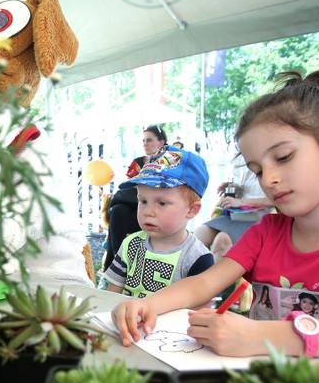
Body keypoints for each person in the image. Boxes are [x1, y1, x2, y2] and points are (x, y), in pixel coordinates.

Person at [111, 70, 319, 362]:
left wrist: (262, 336)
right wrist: (148, 305)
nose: (269, 179)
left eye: (283, 157)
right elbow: (203, 284)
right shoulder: (267, 233)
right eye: (258, 170)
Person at [101, 154, 214, 297]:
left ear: (192, 210)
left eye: (161, 203)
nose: (148, 212)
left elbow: (200, 310)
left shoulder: (197, 258)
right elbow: (112, 296)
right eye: (143, 201)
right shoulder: (130, 245)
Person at [103, 125, 169, 270]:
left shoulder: (170, 163)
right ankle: (117, 260)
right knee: (118, 210)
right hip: (137, 207)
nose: (145, 143)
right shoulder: (138, 162)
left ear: (161, 142)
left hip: (158, 209)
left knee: (120, 204)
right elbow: (128, 184)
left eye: (149, 140)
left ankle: (114, 264)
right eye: (144, 140)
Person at [195, 158, 275, 260]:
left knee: (222, 240)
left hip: (259, 219)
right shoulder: (244, 160)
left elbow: (274, 201)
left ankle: (215, 274)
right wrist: (234, 188)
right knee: (199, 233)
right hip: (236, 215)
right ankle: (186, 272)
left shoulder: (272, 165)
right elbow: (246, 190)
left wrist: (242, 202)